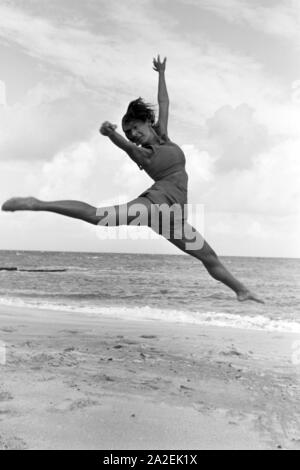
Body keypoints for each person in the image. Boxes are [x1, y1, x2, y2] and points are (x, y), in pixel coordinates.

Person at [2, 55, 263, 303]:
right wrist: (110, 134)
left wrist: (161, 74)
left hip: (173, 218)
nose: (133, 134)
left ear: (148, 123)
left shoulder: (164, 136)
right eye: (129, 132)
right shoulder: (142, 154)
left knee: (209, 257)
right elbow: (124, 146)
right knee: (98, 216)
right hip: (155, 205)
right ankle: (37, 203)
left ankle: (241, 291)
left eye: (136, 127)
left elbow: (164, 103)